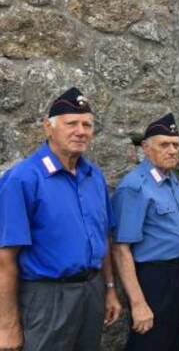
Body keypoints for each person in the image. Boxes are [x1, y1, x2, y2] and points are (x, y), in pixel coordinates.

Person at [0, 87, 122, 351]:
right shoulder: (22, 179)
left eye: (87, 124)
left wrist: (109, 288)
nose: (81, 131)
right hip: (47, 298)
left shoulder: (94, 177)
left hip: (91, 292)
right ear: (48, 127)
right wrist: (6, 325)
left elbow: (102, 238)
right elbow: (5, 258)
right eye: (72, 123)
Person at [112, 113, 179, 351]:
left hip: (178, 274)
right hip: (153, 280)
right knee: (150, 344)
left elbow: (176, 234)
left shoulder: (174, 182)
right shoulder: (135, 187)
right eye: (164, 145)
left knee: (173, 343)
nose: (172, 150)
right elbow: (121, 249)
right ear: (146, 149)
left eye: (176, 145)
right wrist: (138, 303)